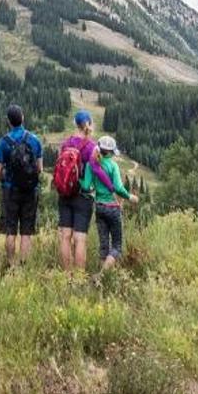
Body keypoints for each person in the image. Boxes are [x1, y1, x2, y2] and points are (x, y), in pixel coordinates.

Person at [51, 109, 119, 272]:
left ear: (75, 124)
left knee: (65, 236)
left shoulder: (66, 143)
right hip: (83, 196)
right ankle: (79, 278)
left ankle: (66, 276)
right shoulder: (92, 147)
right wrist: (112, 188)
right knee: (80, 238)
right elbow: (97, 170)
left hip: (65, 194)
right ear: (90, 124)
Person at [0, 103, 42, 263]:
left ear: (9, 121)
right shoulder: (34, 140)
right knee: (26, 232)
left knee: (10, 230)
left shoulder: (3, 142)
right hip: (30, 191)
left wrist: (5, 180)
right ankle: (24, 265)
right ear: (22, 118)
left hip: (10, 191)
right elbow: (39, 169)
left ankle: (11, 265)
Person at [88, 133, 134, 270]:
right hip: (113, 208)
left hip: (99, 207)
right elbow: (118, 188)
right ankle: (102, 275)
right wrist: (130, 197)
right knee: (117, 247)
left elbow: (87, 186)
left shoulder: (93, 164)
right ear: (110, 152)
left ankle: (102, 278)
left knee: (104, 246)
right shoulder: (113, 165)